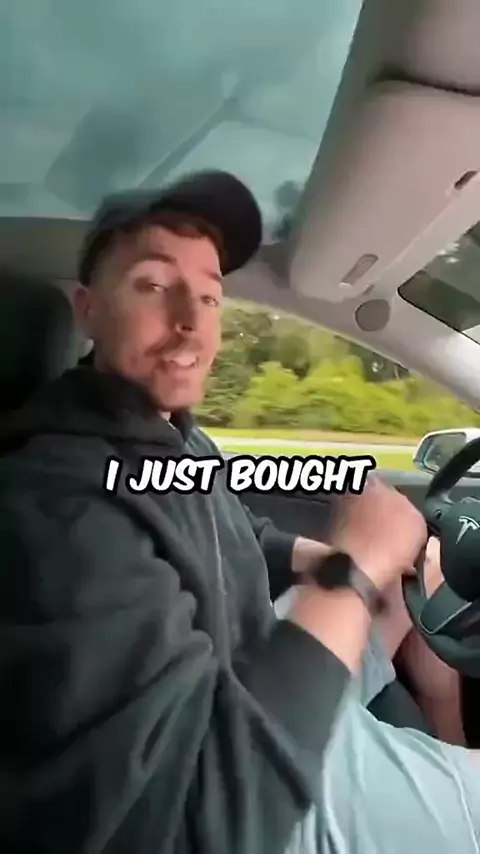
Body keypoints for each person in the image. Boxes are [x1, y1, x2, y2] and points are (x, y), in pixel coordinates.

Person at [0, 170, 464, 854]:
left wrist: (326, 560)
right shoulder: (59, 510)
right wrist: (356, 566)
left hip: (249, 676)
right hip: (258, 786)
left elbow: (234, 530)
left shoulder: (175, 437)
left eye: (210, 294)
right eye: (153, 285)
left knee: (400, 598)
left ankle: (443, 726)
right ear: (88, 309)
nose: (191, 320)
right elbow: (204, 820)